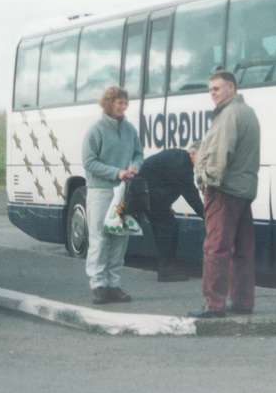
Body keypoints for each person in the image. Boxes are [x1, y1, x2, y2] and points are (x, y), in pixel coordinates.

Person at [189, 70, 260, 318]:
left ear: (231, 88)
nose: (212, 94)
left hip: (224, 190)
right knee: (241, 250)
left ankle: (213, 304)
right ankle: (242, 301)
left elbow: (221, 152)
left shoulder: (229, 114)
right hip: (243, 190)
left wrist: (207, 180)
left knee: (215, 248)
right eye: (210, 90)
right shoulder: (247, 112)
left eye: (216, 89)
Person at [81, 86, 143, 305]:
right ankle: (98, 285)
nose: (123, 107)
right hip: (100, 190)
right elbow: (89, 162)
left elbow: (138, 153)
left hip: (123, 190)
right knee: (100, 236)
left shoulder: (129, 129)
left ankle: (114, 284)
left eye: (125, 104)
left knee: (120, 236)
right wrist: (116, 172)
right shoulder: (96, 130)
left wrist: (135, 166)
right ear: (108, 103)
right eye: (119, 103)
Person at [133, 143, 205, 282]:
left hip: (148, 193)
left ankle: (166, 270)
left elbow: (165, 179)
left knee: (168, 227)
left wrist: (165, 204)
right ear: (192, 154)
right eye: (202, 157)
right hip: (146, 194)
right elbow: (191, 194)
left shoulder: (180, 159)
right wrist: (207, 216)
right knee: (168, 228)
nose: (204, 162)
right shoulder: (182, 164)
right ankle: (166, 272)